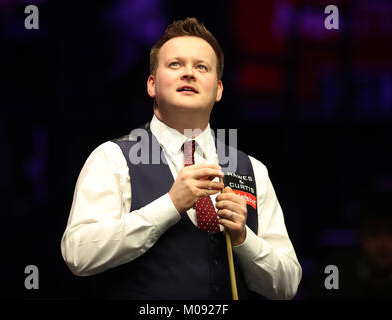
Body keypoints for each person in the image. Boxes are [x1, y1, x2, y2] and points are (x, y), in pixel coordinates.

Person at [61, 17, 302, 300]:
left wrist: (243, 239)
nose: (189, 73)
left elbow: (286, 286)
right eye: (175, 64)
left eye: (202, 67)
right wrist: (170, 204)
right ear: (152, 84)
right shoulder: (112, 159)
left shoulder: (252, 170)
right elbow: (78, 254)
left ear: (219, 90)